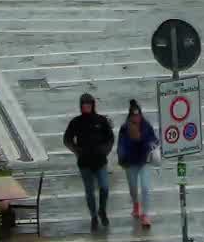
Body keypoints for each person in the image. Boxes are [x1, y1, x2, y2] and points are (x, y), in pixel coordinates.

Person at [64, 93, 115, 231]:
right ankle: (93, 216)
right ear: (81, 106)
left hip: (100, 161)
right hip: (84, 162)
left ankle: (102, 210)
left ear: (93, 105)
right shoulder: (76, 122)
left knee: (104, 187)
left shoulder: (101, 120)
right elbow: (67, 139)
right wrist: (76, 150)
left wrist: (105, 150)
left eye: (89, 104)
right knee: (89, 191)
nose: (86, 107)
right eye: (84, 105)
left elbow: (110, 138)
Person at [116, 98, 161, 229]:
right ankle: (136, 204)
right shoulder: (125, 128)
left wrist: (144, 141)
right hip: (130, 162)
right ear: (130, 117)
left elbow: (154, 140)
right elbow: (121, 145)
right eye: (134, 116)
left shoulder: (146, 126)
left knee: (146, 188)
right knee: (133, 188)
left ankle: (146, 215)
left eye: (138, 115)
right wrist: (122, 158)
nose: (136, 118)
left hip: (144, 161)